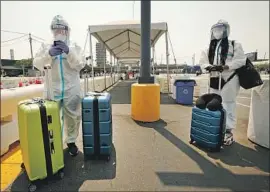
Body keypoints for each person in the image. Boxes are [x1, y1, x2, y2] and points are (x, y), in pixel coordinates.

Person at [33, 15, 85, 156]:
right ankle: (53, 143)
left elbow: (80, 65)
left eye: (61, 29)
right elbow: (37, 64)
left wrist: (69, 52)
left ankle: (71, 142)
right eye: (55, 29)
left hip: (71, 87)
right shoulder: (46, 45)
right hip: (53, 87)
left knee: (73, 116)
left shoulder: (74, 45)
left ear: (67, 30)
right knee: (51, 117)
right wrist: (48, 55)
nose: (59, 32)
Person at [199, 19, 247, 146]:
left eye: (220, 29)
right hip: (214, 78)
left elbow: (241, 60)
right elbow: (202, 62)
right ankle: (214, 128)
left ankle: (228, 131)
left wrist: (226, 67)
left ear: (226, 30)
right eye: (215, 30)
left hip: (230, 78)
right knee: (213, 104)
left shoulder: (234, 44)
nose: (217, 32)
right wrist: (209, 67)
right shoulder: (208, 47)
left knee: (228, 104)